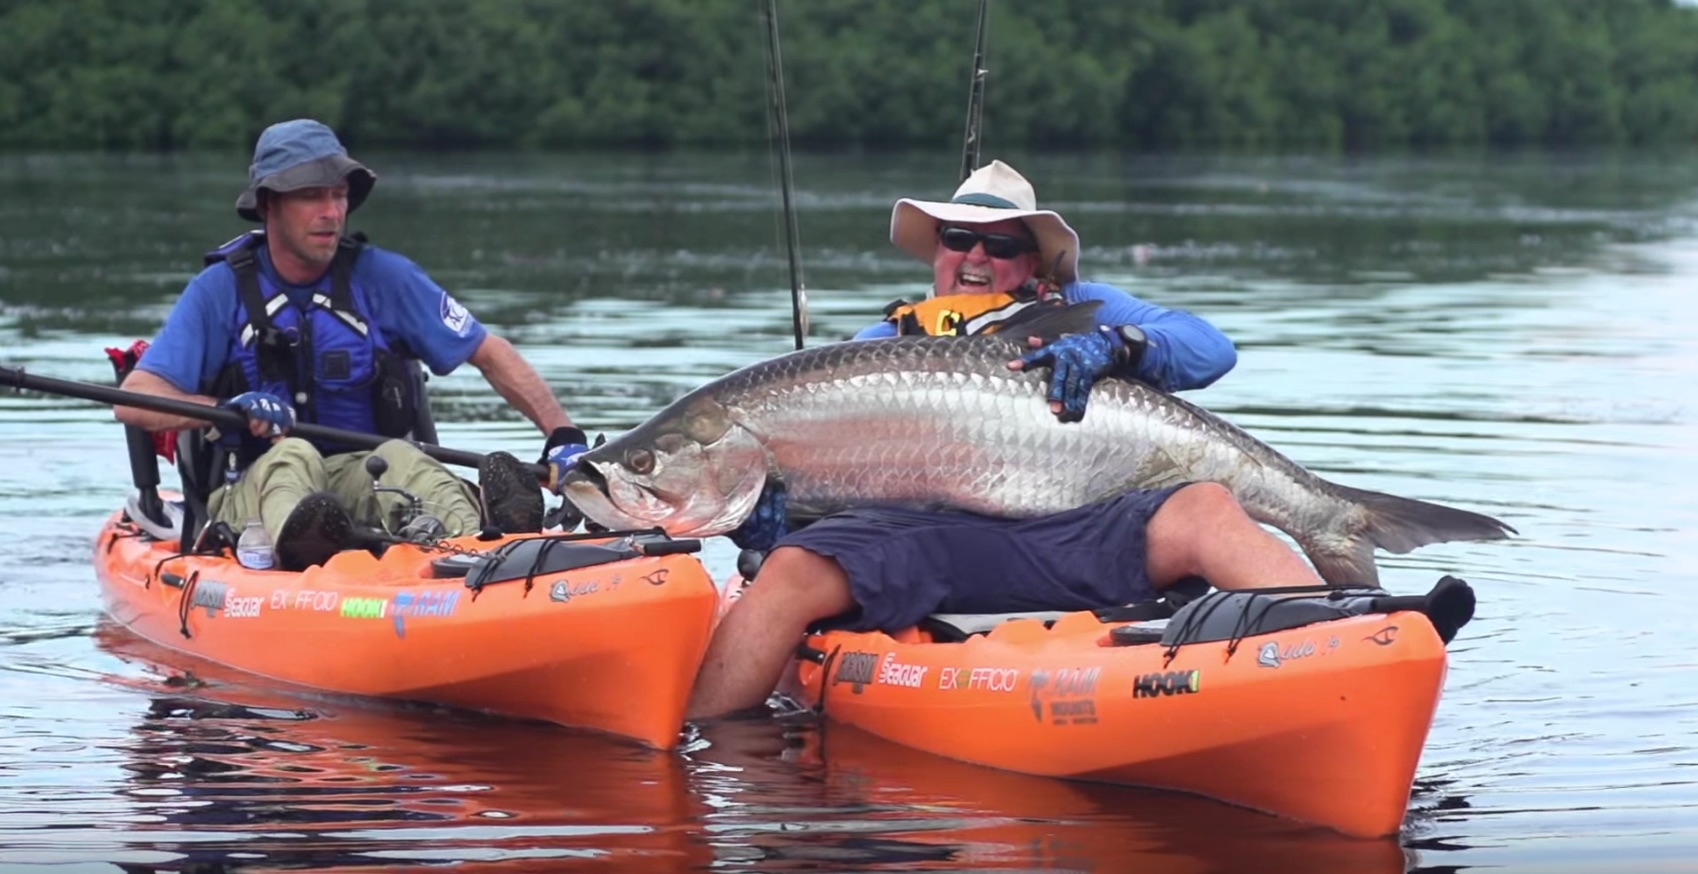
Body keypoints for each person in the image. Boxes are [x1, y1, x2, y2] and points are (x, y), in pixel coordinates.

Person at [686, 160, 1472, 720]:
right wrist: (769, 525)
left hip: (1078, 528)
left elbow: (1211, 349)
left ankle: (1348, 662)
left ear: (1034, 260)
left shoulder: (1085, 307)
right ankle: (693, 746)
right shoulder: (878, 347)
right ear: (936, 251)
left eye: (1001, 245)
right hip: (931, 539)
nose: (977, 257)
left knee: (1204, 506)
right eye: (959, 238)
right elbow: (820, 493)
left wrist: (1120, 346)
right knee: (789, 569)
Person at [114, 119, 590, 571]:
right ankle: (305, 551)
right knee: (292, 457)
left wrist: (564, 438)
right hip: (254, 486)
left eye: (339, 194)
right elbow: (135, 399)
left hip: (363, 475)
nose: (332, 212)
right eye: (311, 196)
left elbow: (490, 353)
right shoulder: (218, 291)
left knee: (403, 459)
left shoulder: (383, 277)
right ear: (267, 205)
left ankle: (483, 548)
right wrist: (226, 408)